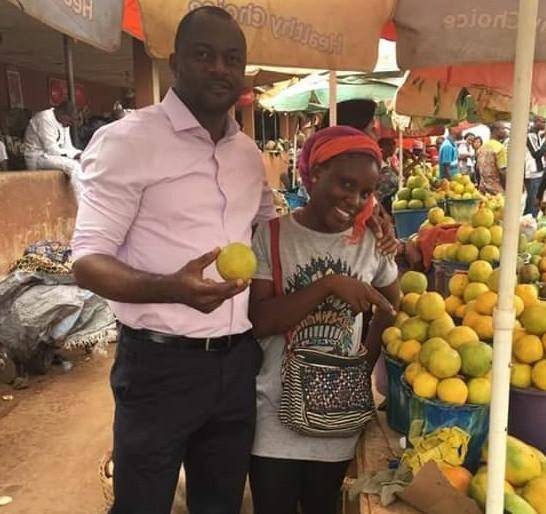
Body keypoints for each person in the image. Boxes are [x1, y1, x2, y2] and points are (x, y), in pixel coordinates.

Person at [71, 8, 277, 514]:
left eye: (233, 59)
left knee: (221, 503)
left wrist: (361, 217)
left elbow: (273, 225)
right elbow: (87, 260)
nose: (220, 69)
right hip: (158, 366)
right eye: (204, 55)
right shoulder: (129, 142)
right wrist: (173, 287)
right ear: (174, 60)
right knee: (142, 503)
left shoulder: (248, 154)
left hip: (236, 362)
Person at [248, 126, 399, 514]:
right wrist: (329, 285)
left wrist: (365, 362)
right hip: (274, 418)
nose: (354, 200)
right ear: (314, 174)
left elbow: (391, 306)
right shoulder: (272, 236)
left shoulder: (371, 240)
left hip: (337, 419)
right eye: (345, 184)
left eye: (366, 192)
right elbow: (260, 319)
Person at [23, 101, 82, 199]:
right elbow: (51, 150)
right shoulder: (45, 118)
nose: (70, 124)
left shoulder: (63, 122)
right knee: (74, 166)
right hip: (37, 157)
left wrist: (81, 153)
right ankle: (81, 203)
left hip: (50, 156)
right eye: (69, 121)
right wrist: (74, 156)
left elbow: (68, 147)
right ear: (61, 113)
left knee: (84, 162)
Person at [477, 122, 510, 195]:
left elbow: (478, 169)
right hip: (496, 190)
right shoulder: (500, 148)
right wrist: (507, 188)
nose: (505, 131)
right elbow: (502, 171)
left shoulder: (482, 148)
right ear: (496, 131)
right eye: (503, 129)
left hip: (483, 189)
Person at [525, 116, 546, 216]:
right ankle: (528, 222)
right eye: (543, 122)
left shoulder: (537, 135)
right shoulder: (530, 136)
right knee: (532, 202)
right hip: (533, 173)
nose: (544, 124)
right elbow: (536, 154)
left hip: (539, 172)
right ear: (535, 122)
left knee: (536, 201)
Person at [376, 137, 398, 213]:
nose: (394, 149)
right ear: (383, 147)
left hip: (389, 199)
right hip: (380, 202)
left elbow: (399, 174)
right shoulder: (377, 162)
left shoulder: (389, 161)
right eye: (391, 146)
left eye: (394, 147)